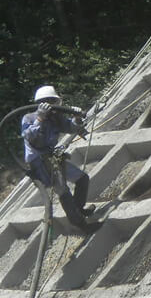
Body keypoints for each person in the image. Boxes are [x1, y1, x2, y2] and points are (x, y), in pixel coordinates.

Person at [21, 84, 98, 232]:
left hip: (52, 157)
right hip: (38, 161)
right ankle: (81, 224)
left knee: (82, 178)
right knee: (63, 191)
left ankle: (79, 209)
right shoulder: (29, 118)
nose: (53, 106)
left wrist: (76, 117)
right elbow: (30, 137)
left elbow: (71, 128)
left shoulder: (56, 118)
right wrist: (40, 119)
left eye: (54, 102)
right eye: (49, 102)